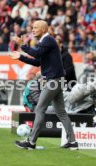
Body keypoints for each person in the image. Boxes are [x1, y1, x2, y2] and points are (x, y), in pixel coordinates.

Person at [10, 20, 78, 150]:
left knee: (40, 109)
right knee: (61, 112)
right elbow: (37, 62)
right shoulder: (46, 42)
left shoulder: (47, 40)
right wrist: (20, 56)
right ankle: (73, 142)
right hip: (57, 80)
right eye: (32, 27)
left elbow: (35, 54)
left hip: (53, 81)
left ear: (43, 29)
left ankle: (31, 142)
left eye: (35, 28)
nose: (33, 30)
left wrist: (22, 45)